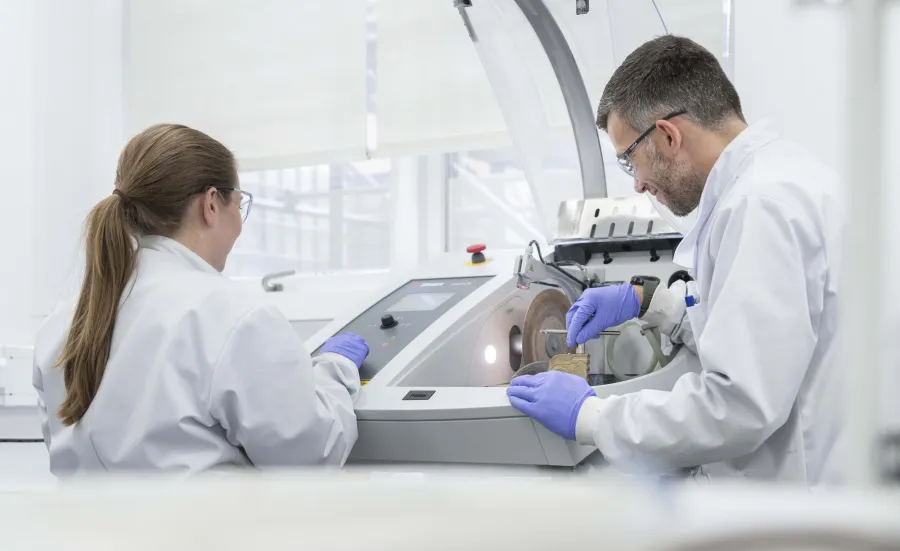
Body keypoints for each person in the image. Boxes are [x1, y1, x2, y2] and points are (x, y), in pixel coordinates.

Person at [507, 35, 844, 484]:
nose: (637, 184)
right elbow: (761, 338)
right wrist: (650, 302)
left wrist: (591, 416)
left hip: (802, 500)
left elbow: (738, 408)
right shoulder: (783, 177)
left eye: (629, 161)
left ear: (667, 135)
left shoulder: (758, 208)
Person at [32, 124, 369, 476]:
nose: (239, 223)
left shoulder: (63, 321)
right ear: (210, 204)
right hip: (205, 516)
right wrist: (336, 370)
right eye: (238, 204)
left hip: (88, 516)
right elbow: (311, 455)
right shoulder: (233, 315)